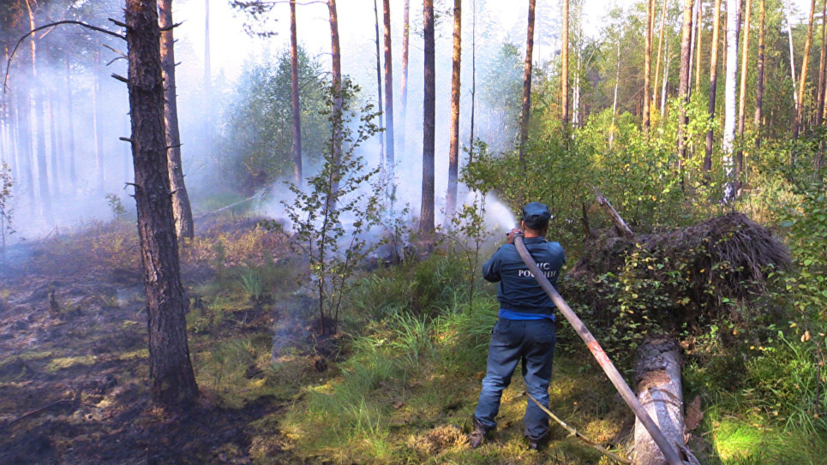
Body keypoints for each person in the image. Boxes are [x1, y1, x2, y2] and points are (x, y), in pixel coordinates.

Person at [469, 201, 566, 450]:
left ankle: (481, 429)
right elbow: (547, 257)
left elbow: (488, 273)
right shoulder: (555, 252)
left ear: (523, 224)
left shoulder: (507, 252)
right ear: (546, 227)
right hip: (541, 329)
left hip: (509, 328)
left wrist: (512, 244)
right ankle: (536, 437)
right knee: (538, 384)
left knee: (494, 380)